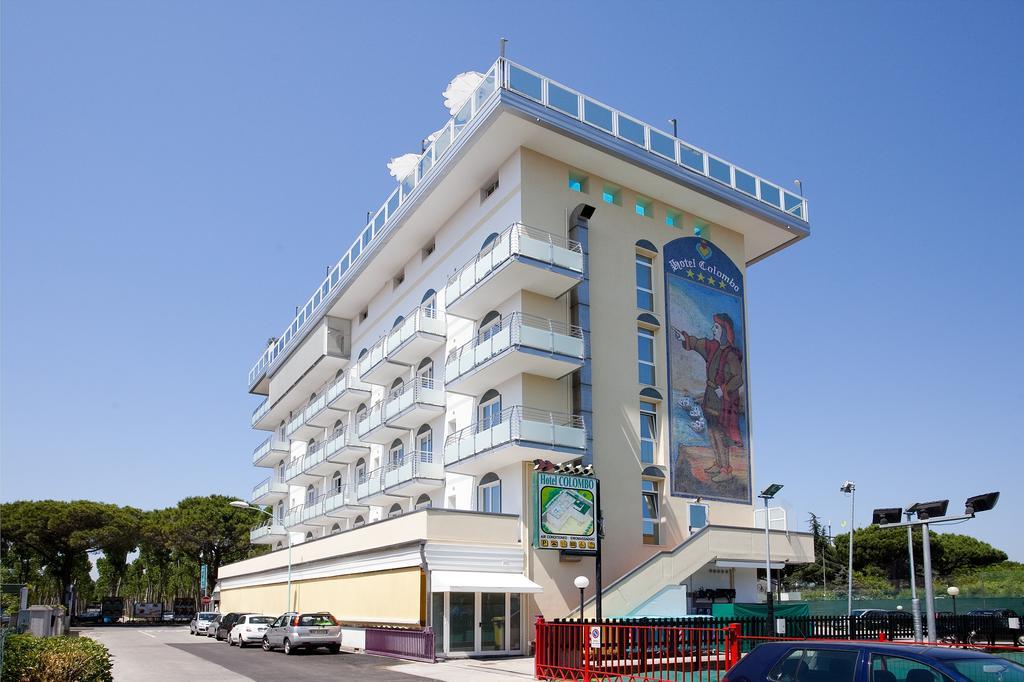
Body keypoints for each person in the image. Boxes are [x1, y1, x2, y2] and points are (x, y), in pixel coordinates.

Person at [673, 313, 744, 483]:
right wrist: (685, 337)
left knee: (720, 435)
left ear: (725, 332)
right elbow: (699, 344)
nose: (713, 329)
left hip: (723, 401)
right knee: (712, 432)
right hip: (711, 398)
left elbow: (738, 378)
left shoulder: (731, 355)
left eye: (717, 327)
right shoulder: (713, 347)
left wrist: (724, 388)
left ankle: (726, 468)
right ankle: (718, 463)